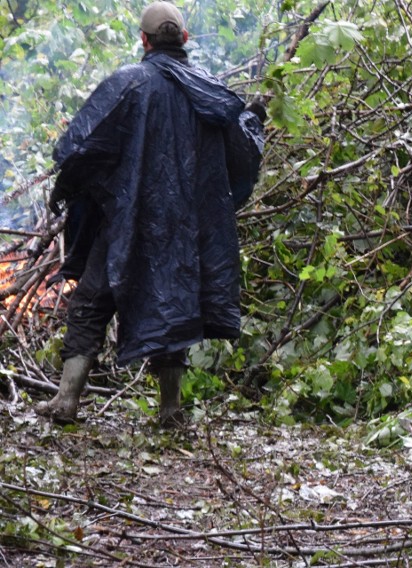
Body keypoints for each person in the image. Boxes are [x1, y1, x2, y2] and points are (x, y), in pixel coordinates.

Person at [35, 2, 265, 428]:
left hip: (128, 222)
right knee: (173, 307)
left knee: (90, 303)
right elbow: (244, 153)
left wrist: (75, 188)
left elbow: (78, 146)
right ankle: (170, 411)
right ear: (186, 39)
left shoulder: (128, 84)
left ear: (143, 41)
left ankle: (66, 401)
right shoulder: (212, 91)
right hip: (185, 229)